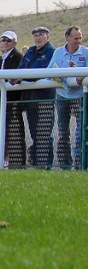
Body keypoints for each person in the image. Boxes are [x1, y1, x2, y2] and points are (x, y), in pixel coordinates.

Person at [48, 26, 88, 170]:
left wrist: (79, 73)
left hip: (80, 97)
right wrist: (63, 77)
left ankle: (80, 164)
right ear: (67, 37)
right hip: (62, 96)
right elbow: (49, 72)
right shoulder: (58, 52)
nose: (78, 41)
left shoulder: (86, 52)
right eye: (75, 38)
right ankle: (65, 165)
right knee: (63, 133)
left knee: (81, 133)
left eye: (80, 38)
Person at [19, 27, 56, 169]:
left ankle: (46, 165)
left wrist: (23, 77)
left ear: (47, 36)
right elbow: (21, 68)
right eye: (35, 35)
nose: (38, 38)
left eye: (41, 35)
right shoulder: (30, 51)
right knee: (35, 133)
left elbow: (42, 72)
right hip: (30, 98)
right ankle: (38, 164)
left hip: (44, 97)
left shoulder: (51, 52)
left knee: (44, 133)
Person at [0, 30, 26, 168]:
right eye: (2, 40)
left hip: (13, 101)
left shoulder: (18, 57)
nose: (5, 43)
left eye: (8, 40)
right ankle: (3, 161)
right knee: (0, 132)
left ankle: (17, 162)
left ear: (15, 42)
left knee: (14, 132)